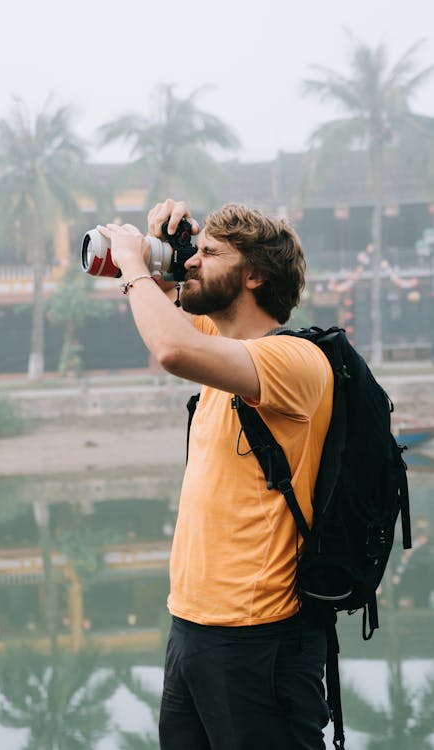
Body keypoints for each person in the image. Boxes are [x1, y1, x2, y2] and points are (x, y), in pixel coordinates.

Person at [98, 199, 333, 750]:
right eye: (196, 251)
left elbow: (171, 347)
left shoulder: (292, 360)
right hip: (194, 625)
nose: (195, 262)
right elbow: (168, 314)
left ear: (254, 275)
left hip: (260, 636)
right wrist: (162, 252)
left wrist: (135, 264)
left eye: (210, 253)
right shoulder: (221, 345)